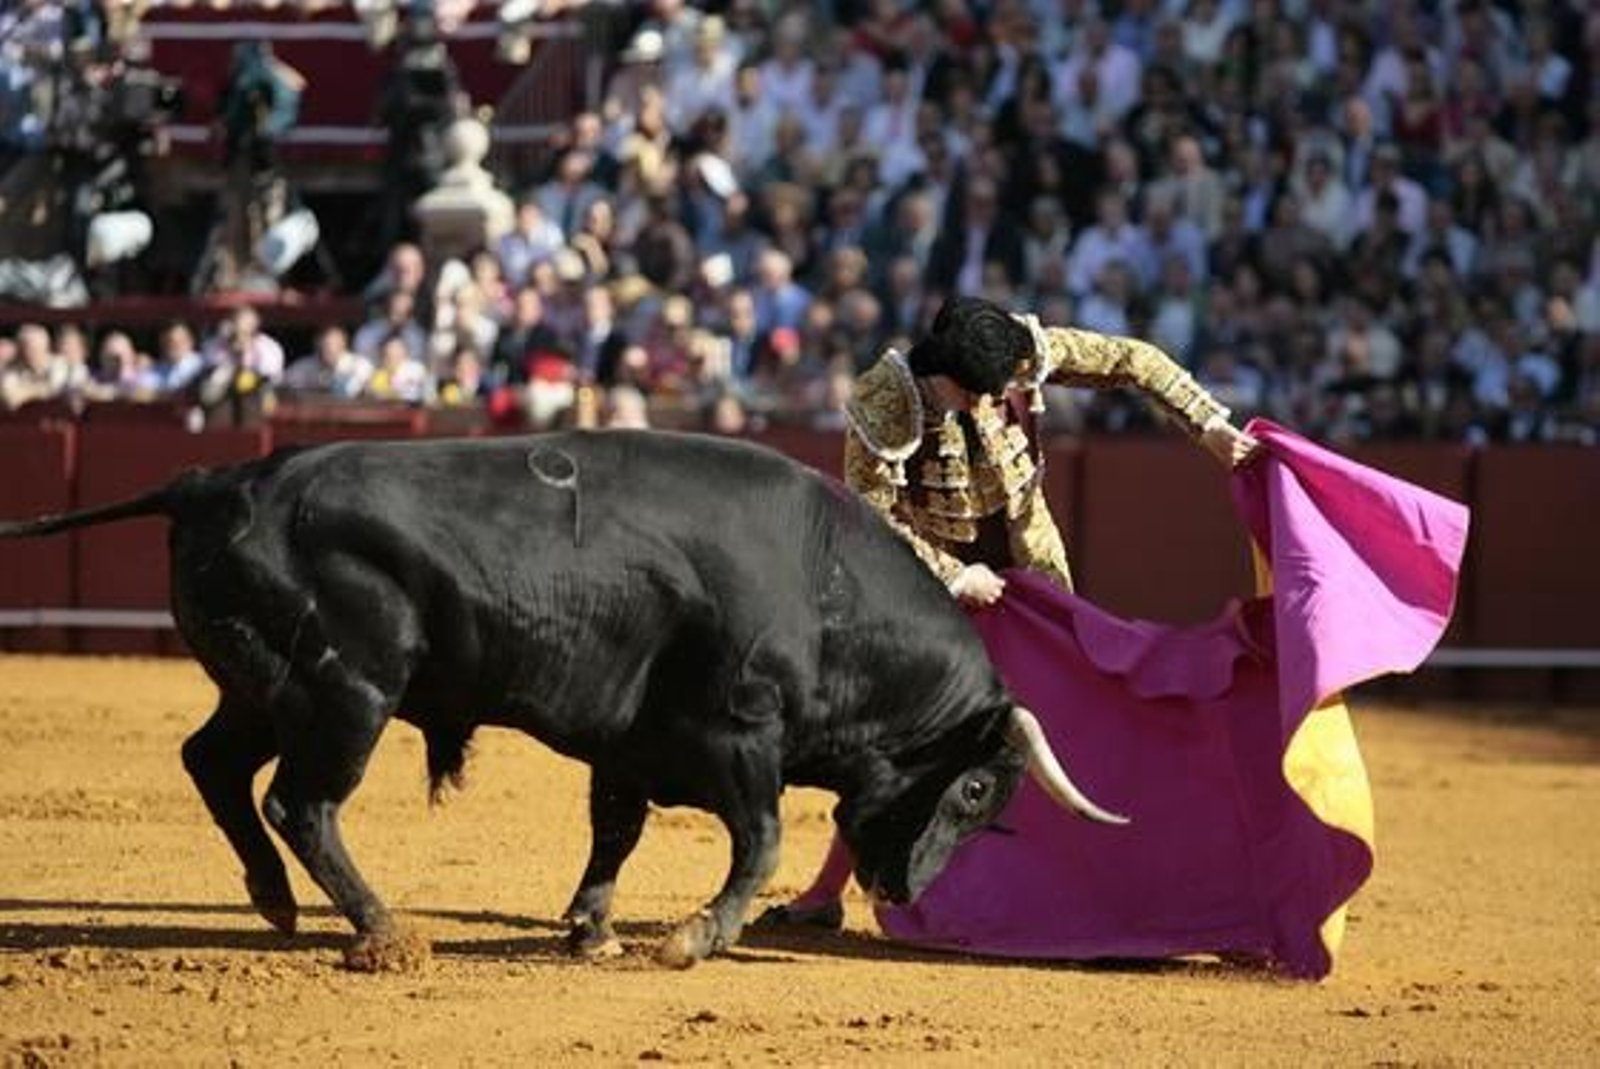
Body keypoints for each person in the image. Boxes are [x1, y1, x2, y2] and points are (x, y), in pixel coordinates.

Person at [760, 295, 1258, 929]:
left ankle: (1082, 880)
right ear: (941, 372)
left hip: (1032, 571)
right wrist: (953, 572)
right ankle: (827, 891)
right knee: (901, 740)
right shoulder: (885, 401)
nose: (986, 404)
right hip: (926, 586)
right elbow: (869, 519)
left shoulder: (1017, 351)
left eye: (996, 392)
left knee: (1070, 715)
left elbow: (1134, 360)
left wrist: (1208, 423)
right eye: (972, 394)